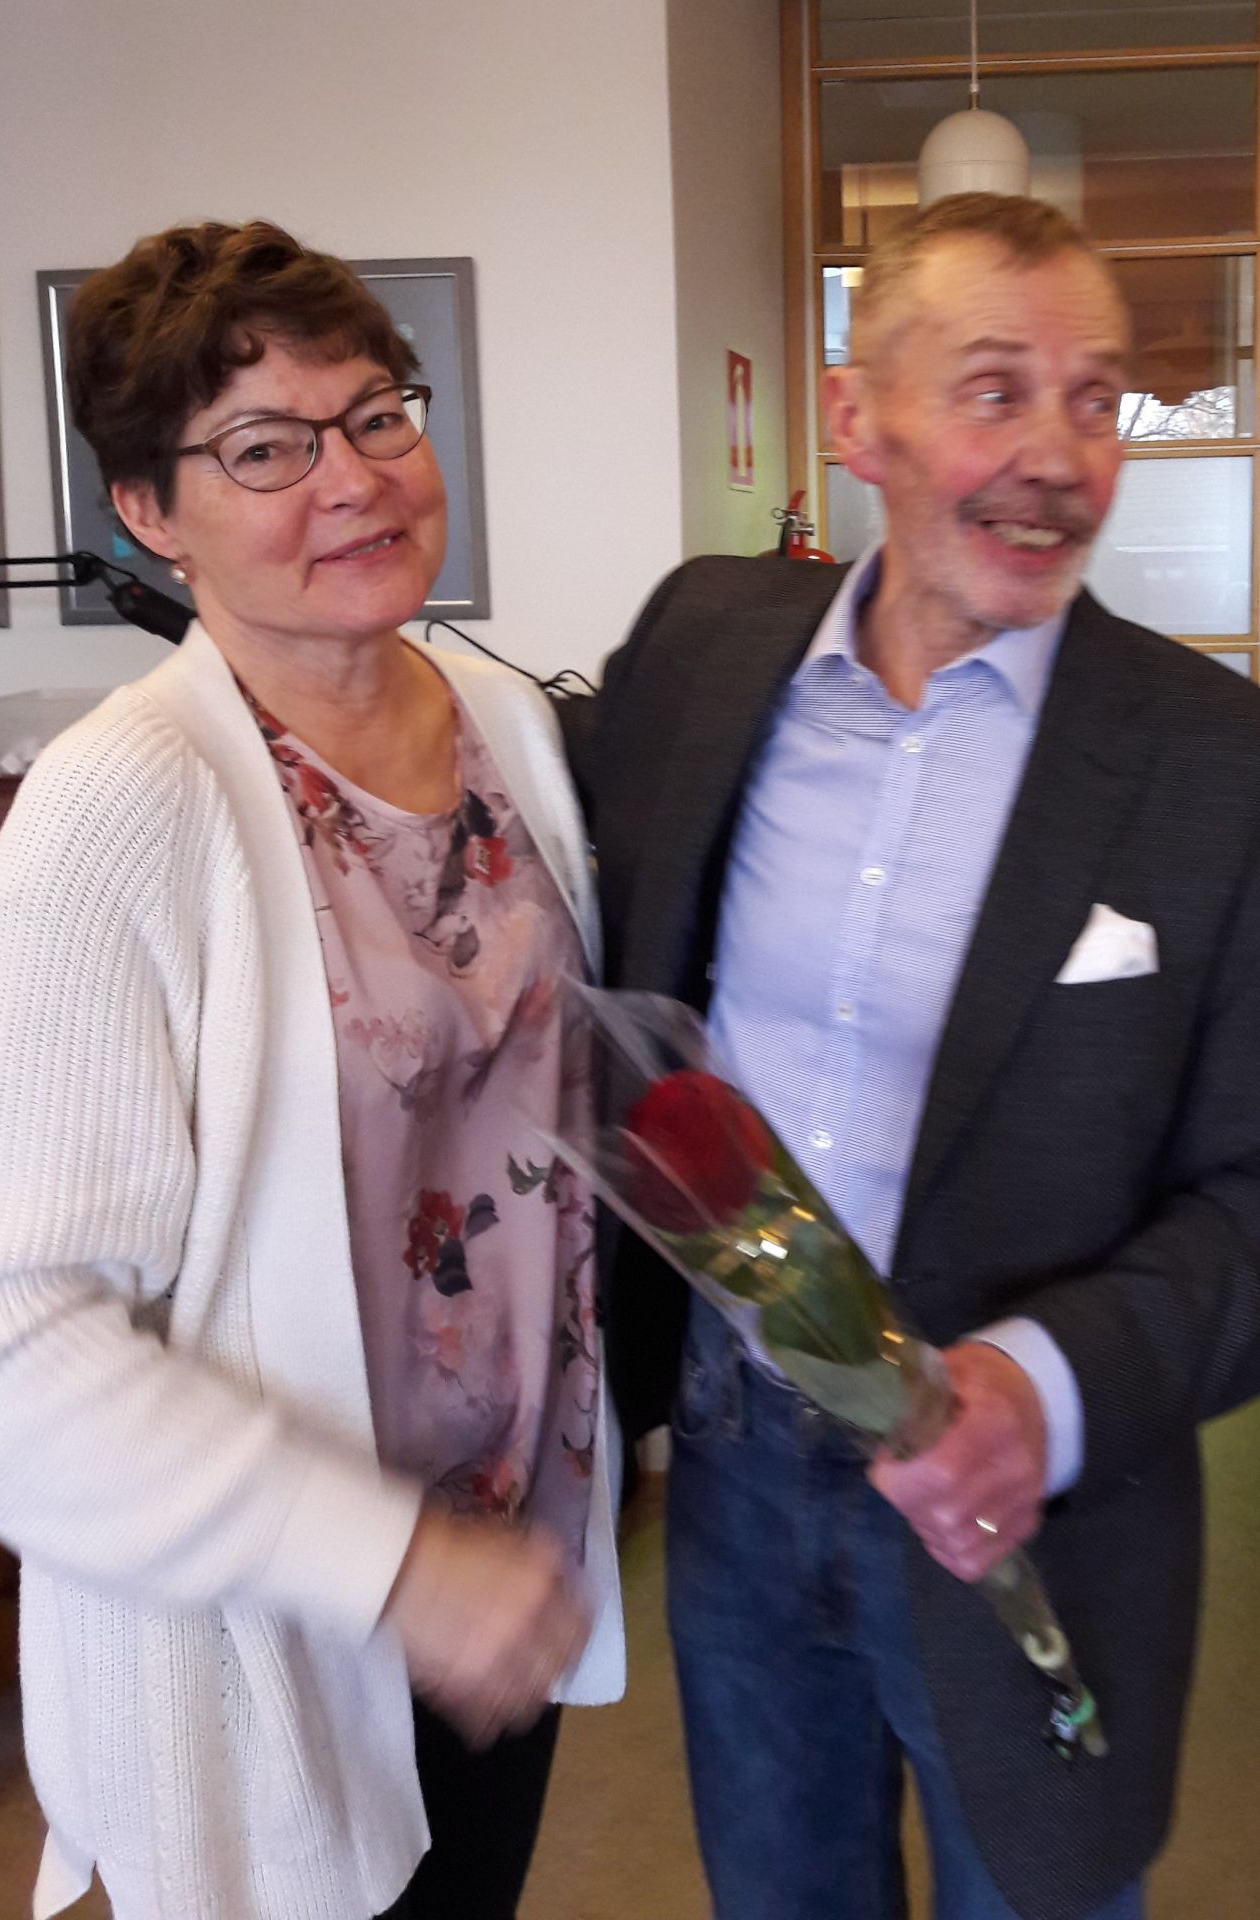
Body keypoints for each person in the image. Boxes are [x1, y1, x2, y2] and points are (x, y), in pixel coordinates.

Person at [561, 191, 1260, 1920]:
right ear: (855, 417)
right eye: (994, 389)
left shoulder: (1210, 763)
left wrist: (1042, 1385)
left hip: (1036, 1507)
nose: (1058, 458)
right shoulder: (699, 652)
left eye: (1093, 398)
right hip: (730, 1458)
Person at [0, 220, 624, 1920]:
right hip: (275, 1635)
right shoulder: (121, 804)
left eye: (376, 413)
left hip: (505, 1570)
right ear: (147, 515)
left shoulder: (505, 728)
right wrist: (392, 1567)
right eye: (263, 447)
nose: (354, 478)